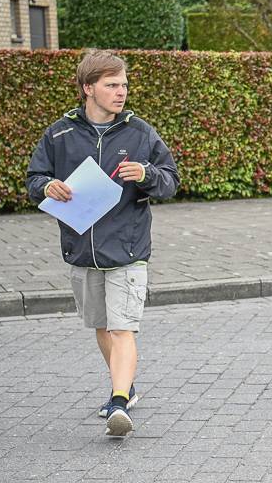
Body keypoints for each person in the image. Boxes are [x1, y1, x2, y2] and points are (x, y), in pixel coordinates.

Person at [27, 50, 180, 437]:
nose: (121, 92)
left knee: (123, 328)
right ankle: (125, 385)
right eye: (112, 85)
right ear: (87, 88)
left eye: (124, 84)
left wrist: (145, 173)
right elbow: (34, 179)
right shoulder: (59, 134)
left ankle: (118, 401)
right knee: (101, 325)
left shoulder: (140, 133)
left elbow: (170, 181)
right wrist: (47, 186)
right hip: (81, 250)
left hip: (128, 250)